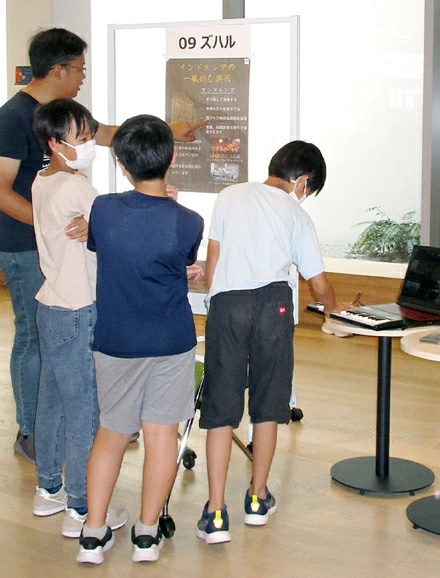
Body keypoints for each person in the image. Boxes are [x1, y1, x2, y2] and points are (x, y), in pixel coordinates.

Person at [0, 27, 204, 464]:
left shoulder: (68, 115)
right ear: (58, 69)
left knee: (69, 342)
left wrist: (168, 132)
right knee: (38, 339)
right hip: (26, 245)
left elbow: (111, 134)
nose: (82, 78)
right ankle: (33, 433)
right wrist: (50, 224)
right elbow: (0, 191)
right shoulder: (13, 118)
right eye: (79, 70)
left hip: (66, 244)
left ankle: (95, 424)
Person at [196, 140, 342, 544]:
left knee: (221, 409)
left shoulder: (230, 195)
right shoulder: (295, 215)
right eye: (310, 190)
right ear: (303, 181)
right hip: (273, 308)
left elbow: (214, 256)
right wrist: (335, 309)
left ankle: (215, 513)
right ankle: (258, 499)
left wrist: (216, 297)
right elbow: (318, 283)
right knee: (267, 404)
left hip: (227, 305)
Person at [76, 114, 204, 565]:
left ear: (122, 165)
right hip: (170, 339)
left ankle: (93, 534)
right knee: (160, 434)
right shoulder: (188, 220)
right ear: (171, 157)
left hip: (115, 340)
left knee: (110, 431)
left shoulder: (104, 209)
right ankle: (147, 535)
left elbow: (106, 246)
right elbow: (179, 262)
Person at [31, 98, 129, 538]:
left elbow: (96, 222)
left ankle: (49, 487)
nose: (90, 145)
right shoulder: (75, 187)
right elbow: (118, 222)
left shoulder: (43, 179)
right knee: (84, 407)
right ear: (55, 143)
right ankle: (84, 506)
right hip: (77, 310)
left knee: (51, 401)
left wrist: (95, 227)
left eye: (91, 137)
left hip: (50, 305)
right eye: (82, 138)